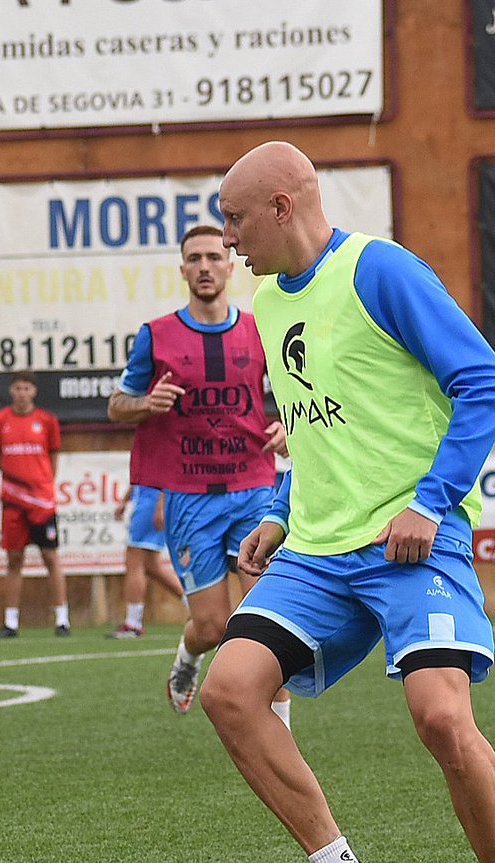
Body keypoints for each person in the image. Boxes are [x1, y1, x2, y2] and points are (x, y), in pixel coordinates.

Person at [197, 141, 495, 863]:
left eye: (236, 220)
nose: (229, 239)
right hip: (318, 553)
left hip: (414, 544)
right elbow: (320, 430)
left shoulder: (379, 271)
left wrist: (430, 502)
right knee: (228, 691)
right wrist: (282, 514)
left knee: (439, 716)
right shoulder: (265, 307)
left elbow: (485, 382)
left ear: (283, 206)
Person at [108, 224, 291, 723]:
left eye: (215, 256)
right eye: (195, 258)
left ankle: (283, 743)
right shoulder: (156, 335)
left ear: (231, 265)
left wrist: (286, 430)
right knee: (212, 626)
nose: (205, 266)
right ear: (183, 269)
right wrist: (145, 403)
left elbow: (300, 394)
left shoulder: (260, 328)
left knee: (269, 620)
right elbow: (116, 405)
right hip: (191, 496)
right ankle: (189, 657)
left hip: (254, 488)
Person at [0, 371, 70, 638]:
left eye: (26, 388)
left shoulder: (46, 421)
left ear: (33, 391)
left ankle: (62, 619)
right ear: (11, 390)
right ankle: (10, 622)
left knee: (50, 556)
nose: (22, 392)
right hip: (13, 500)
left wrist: (41, 483)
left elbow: (53, 454)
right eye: (17, 387)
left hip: (41, 501)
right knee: (14, 558)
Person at [109, 484, 184, 638]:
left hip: (151, 502)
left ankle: (133, 623)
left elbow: (166, 470)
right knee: (151, 566)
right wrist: (125, 499)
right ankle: (196, 605)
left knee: (133, 559)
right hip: (148, 500)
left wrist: (161, 505)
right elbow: (138, 472)